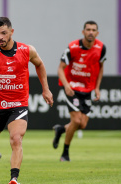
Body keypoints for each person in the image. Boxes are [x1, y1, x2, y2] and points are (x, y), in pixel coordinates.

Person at [0, 17, 53, 184]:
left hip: (18, 105)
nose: (0, 37)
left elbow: (40, 64)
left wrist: (46, 89)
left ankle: (14, 179)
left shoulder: (26, 50)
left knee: (16, 138)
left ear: (11, 32)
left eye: (4, 33)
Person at [53, 20, 106, 162]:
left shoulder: (101, 48)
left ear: (97, 33)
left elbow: (101, 68)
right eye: (88, 29)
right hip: (72, 88)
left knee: (82, 124)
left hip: (87, 89)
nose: (90, 32)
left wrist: (97, 87)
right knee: (76, 120)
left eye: (93, 30)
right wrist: (66, 86)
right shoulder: (73, 47)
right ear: (83, 32)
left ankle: (61, 129)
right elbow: (60, 68)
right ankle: (65, 154)